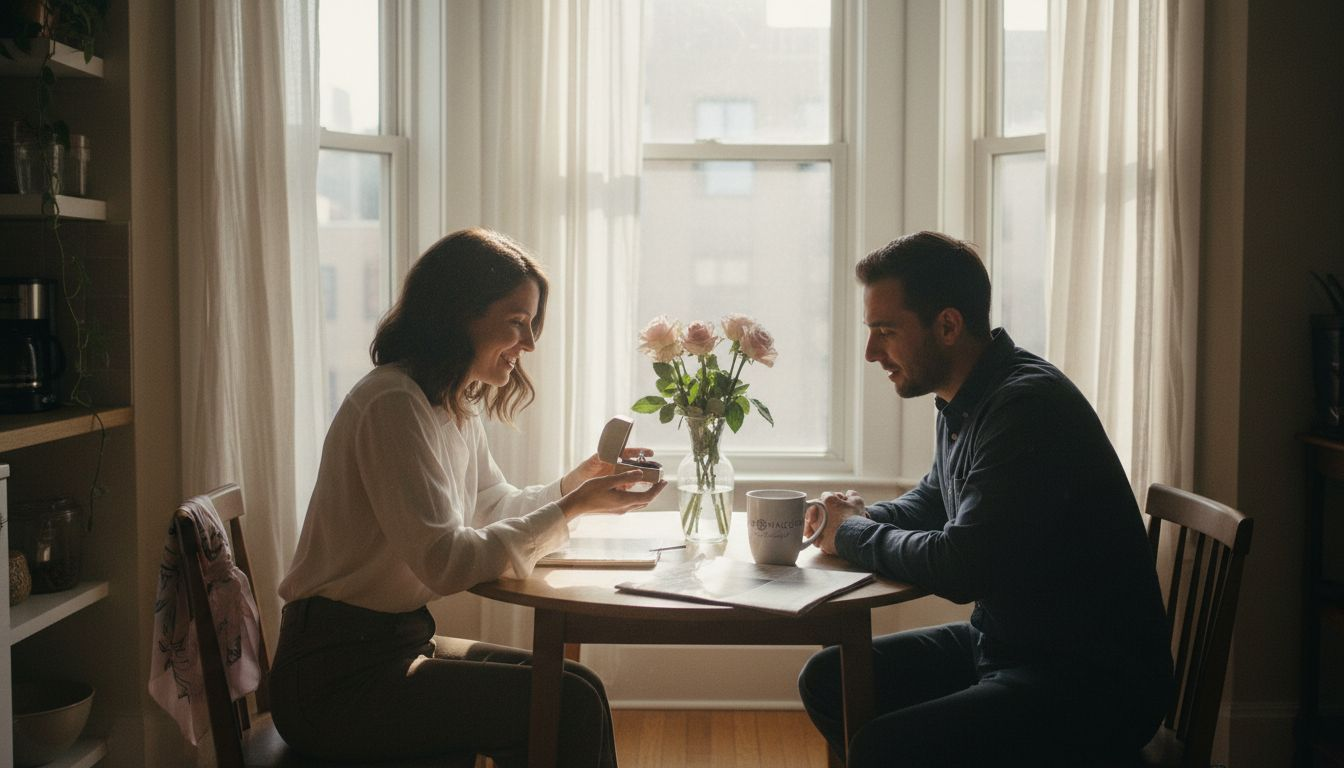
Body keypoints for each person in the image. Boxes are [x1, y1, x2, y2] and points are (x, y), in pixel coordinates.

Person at [270, 228, 664, 766]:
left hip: (393, 646)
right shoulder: (391, 403)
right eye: (517, 323)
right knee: (567, 703)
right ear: (460, 314)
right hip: (334, 679)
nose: (528, 344)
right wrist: (572, 509)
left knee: (580, 686)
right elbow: (446, 562)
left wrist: (577, 485)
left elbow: (491, 503)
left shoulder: (449, 403)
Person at [799, 231, 1173, 767]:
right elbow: (933, 500)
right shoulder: (964, 396)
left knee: (885, 749)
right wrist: (846, 520)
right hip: (1007, 644)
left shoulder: (1024, 408)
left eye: (886, 331)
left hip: (1090, 682)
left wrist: (854, 534)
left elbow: (961, 566)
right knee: (826, 679)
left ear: (948, 325)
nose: (870, 353)